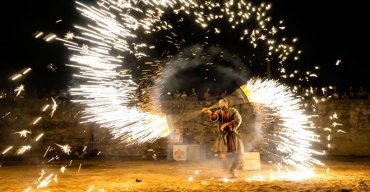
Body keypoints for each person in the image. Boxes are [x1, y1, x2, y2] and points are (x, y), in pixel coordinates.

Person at [202, 98, 244, 177]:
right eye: (219, 104)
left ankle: (232, 169)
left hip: (233, 134)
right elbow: (214, 117)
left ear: (226, 103)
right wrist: (209, 112)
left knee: (240, 153)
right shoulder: (218, 112)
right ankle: (227, 170)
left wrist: (227, 124)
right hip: (223, 136)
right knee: (221, 154)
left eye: (221, 103)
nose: (220, 105)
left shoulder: (233, 111)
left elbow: (238, 119)